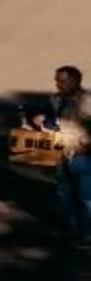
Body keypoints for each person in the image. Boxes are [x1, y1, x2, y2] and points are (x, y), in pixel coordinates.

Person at [35, 66, 91, 241]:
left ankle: (87, 233)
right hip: (61, 154)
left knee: (86, 197)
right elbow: (51, 122)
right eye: (57, 80)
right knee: (64, 193)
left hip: (84, 156)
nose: (58, 84)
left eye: (62, 81)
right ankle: (74, 229)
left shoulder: (88, 102)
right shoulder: (56, 100)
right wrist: (41, 121)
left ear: (75, 81)